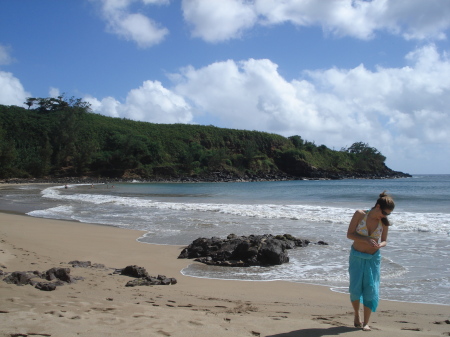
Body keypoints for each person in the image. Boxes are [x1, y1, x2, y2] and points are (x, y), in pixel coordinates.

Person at [347, 191, 394, 331]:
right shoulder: (360, 214)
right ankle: (357, 315)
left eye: (389, 214)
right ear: (378, 206)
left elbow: (385, 240)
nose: (386, 216)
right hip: (356, 256)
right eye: (385, 213)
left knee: (371, 289)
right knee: (355, 288)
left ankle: (366, 322)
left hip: (373, 259)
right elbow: (349, 234)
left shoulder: (384, 222)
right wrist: (365, 239)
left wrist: (380, 245)